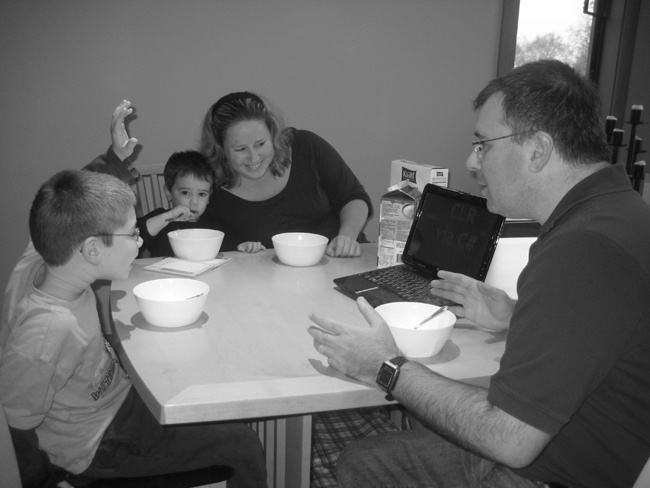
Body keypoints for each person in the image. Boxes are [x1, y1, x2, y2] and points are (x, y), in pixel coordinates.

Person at [308, 59, 650, 488]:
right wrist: (517, 315)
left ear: (538, 150)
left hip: (555, 473)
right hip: (597, 446)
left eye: (483, 144)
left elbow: (511, 440)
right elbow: (607, 330)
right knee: (426, 416)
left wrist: (386, 364)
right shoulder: (618, 212)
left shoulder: (581, 248)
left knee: (363, 461)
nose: (472, 161)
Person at [0, 170, 267, 487]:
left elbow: (62, 201)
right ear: (93, 250)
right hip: (100, 443)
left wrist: (114, 160)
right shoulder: (45, 333)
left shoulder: (43, 258)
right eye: (133, 233)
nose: (140, 241)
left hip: (118, 401)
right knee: (243, 445)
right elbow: (16, 422)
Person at [199, 91, 373, 256]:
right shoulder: (206, 184)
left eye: (260, 144)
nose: (253, 157)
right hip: (264, 280)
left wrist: (347, 238)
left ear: (273, 134)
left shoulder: (307, 147)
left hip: (340, 261)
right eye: (240, 149)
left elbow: (353, 197)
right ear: (221, 148)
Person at [138, 149, 265, 257]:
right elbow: (135, 235)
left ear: (209, 196)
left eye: (202, 194)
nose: (194, 202)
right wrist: (167, 217)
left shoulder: (214, 224)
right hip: (167, 282)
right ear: (168, 193)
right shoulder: (161, 219)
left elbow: (230, 246)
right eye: (186, 193)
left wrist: (242, 246)